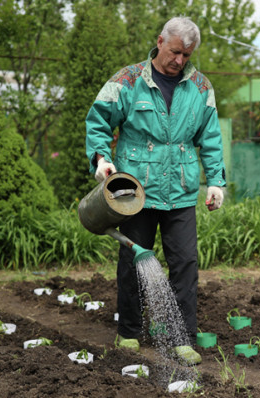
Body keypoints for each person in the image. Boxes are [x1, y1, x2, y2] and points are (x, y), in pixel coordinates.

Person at [85, 16, 226, 365]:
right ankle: (129, 332)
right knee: (132, 261)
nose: (179, 60)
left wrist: (216, 181)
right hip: (135, 191)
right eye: (175, 51)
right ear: (160, 41)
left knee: (185, 265)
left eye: (187, 55)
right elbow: (99, 119)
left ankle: (183, 339)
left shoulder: (201, 87)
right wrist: (101, 158)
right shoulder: (128, 80)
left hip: (179, 189)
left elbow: (210, 138)